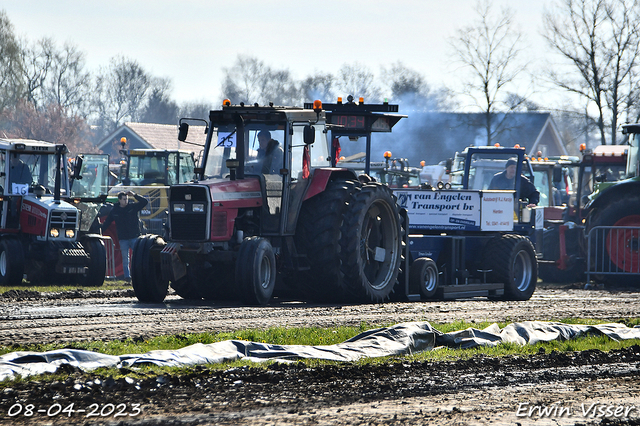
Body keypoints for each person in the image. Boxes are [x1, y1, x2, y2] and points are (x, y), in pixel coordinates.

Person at [100, 191, 148, 282]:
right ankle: (127, 277)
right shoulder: (115, 211)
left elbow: (144, 202)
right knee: (125, 259)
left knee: (139, 257)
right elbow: (107, 223)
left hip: (134, 237)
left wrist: (134, 195)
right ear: (120, 200)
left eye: (127, 199)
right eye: (124, 199)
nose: (126, 201)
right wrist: (100, 231)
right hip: (123, 239)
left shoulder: (132, 207)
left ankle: (139, 275)